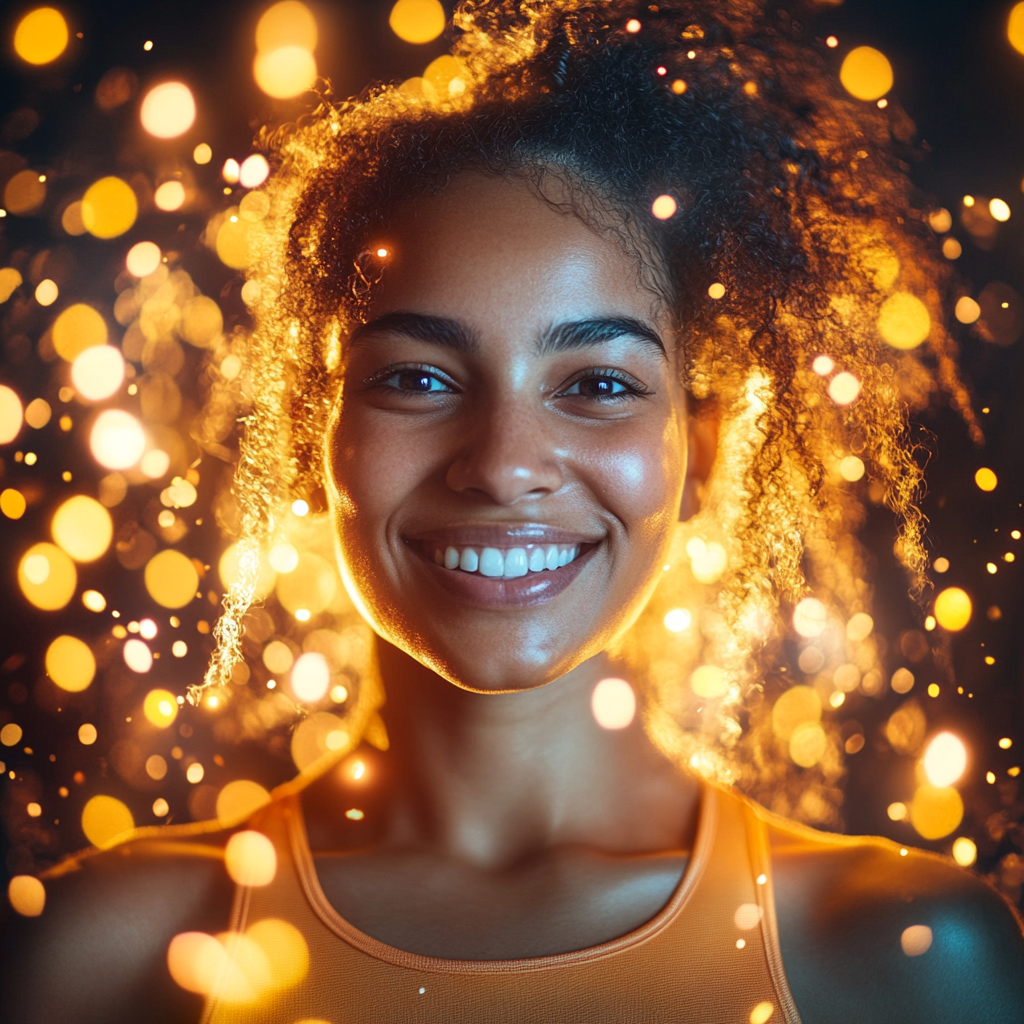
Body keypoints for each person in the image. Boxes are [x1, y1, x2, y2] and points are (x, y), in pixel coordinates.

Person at [3, 1, 1023, 1022]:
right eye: (418, 378)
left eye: (599, 385)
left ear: (699, 454)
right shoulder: (109, 945)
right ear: (319, 436)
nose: (501, 466)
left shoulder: (899, 953)